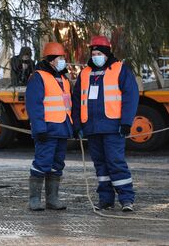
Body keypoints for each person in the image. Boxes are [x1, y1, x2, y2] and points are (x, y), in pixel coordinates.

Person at [71, 35, 138, 212]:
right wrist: (77, 124)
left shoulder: (120, 69)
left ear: (107, 53)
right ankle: (106, 200)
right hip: (91, 128)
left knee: (115, 162)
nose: (96, 56)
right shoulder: (85, 74)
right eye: (93, 53)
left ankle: (126, 199)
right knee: (100, 165)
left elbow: (131, 97)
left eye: (99, 52)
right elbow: (77, 100)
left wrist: (126, 122)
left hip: (113, 127)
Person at [25, 42, 73, 211]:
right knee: (42, 163)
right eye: (60, 58)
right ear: (51, 60)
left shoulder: (63, 78)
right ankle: (34, 200)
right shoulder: (39, 77)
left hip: (62, 128)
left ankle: (52, 199)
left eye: (63, 58)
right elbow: (34, 104)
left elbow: (67, 104)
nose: (62, 61)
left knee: (57, 165)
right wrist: (39, 129)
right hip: (47, 129)